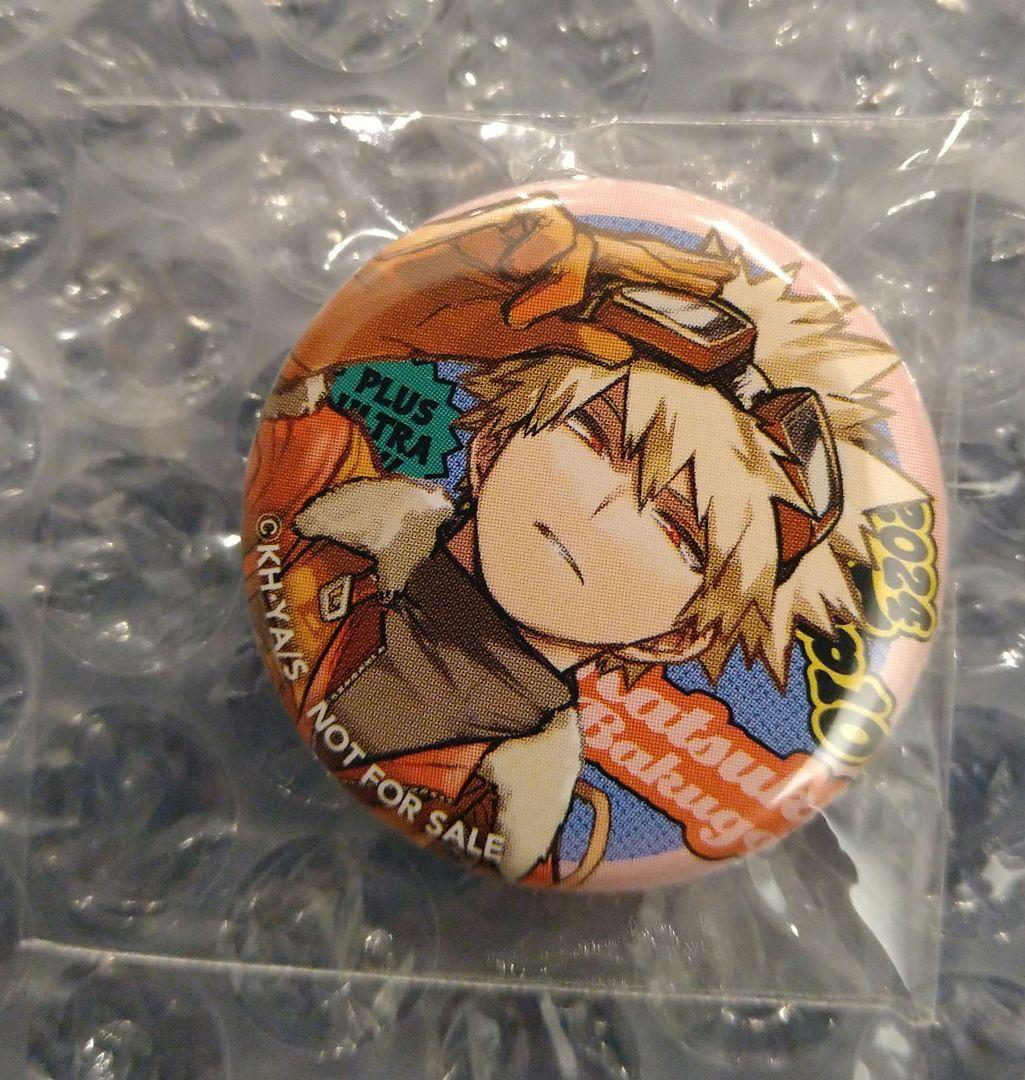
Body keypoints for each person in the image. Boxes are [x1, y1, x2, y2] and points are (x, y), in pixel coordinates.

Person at [259, 192, 927, 883]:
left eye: (676, 529)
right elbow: (294, 411)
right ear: (492, 445)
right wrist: (395, 311)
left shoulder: (520, 818)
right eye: (592, 436)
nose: (606, 508)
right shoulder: (323, 496)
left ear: (676, 637)